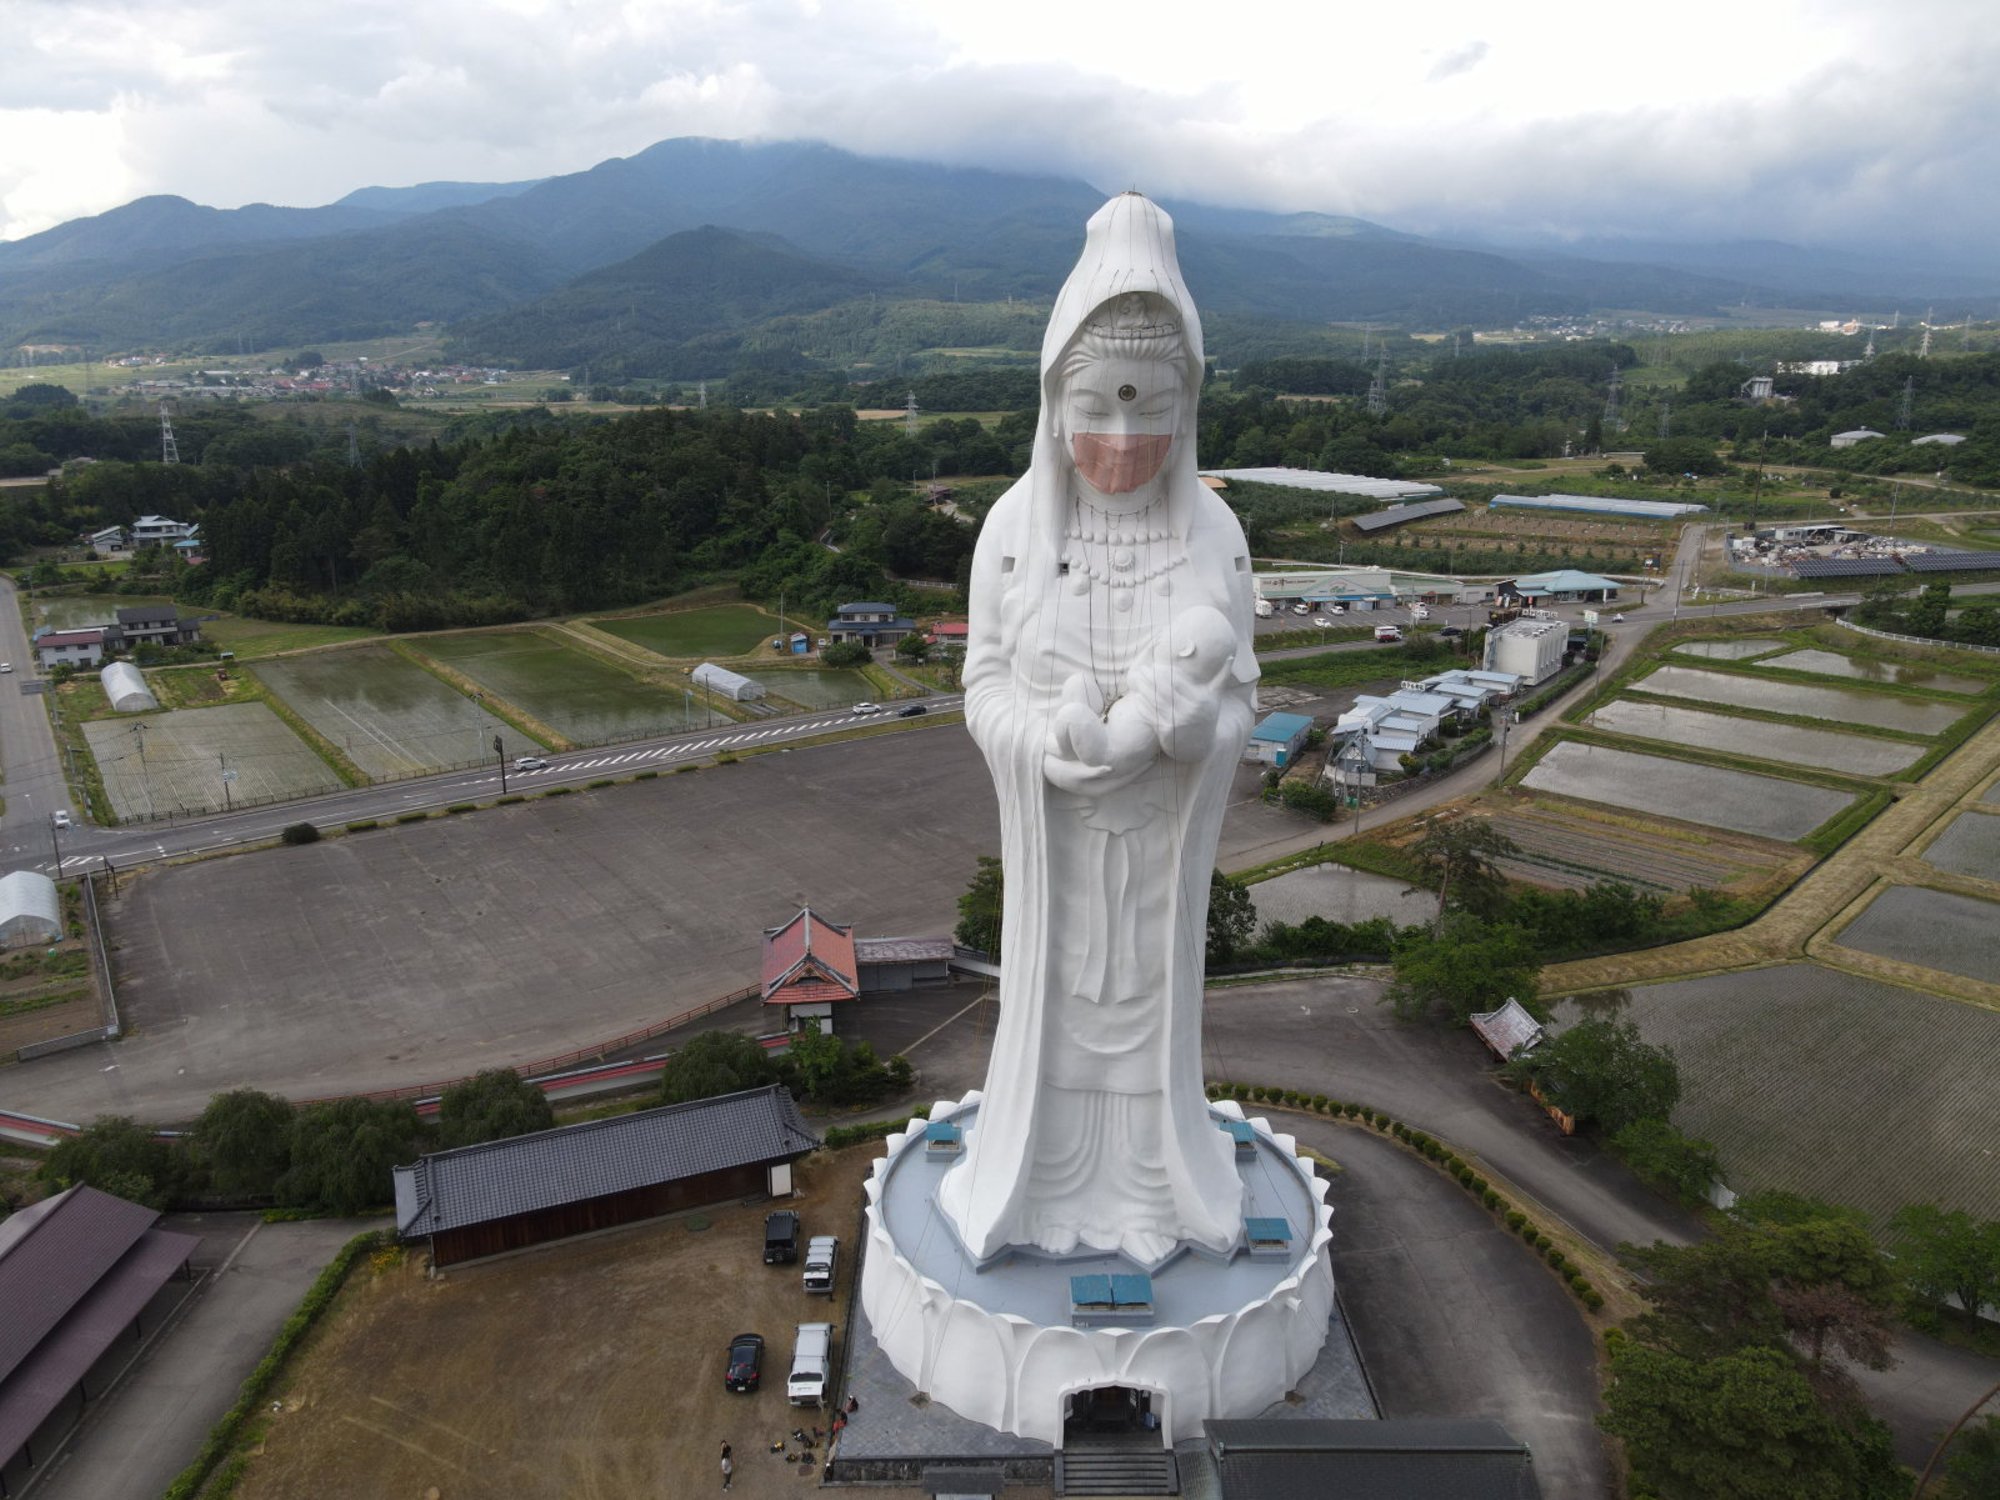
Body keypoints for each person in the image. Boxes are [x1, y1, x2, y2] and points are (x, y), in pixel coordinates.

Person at [937, 193, 1254, 1267]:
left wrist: (1187, 734)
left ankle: (1162, 1180)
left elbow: (1240, 689)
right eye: (1096, 406)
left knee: (1144, 1009)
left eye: (1147, 406)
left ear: (1187, 401)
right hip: (1059, 839)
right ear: (1052, 398)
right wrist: (1039, 741)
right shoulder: (1011, 536)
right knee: (1060, 1007)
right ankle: (1035, 1177)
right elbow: (980, 678)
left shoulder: (1213, 534)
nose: (1120, 440)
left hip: (1158, 843)